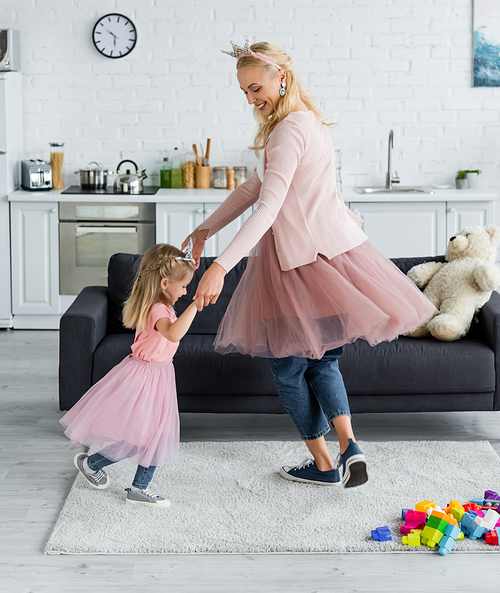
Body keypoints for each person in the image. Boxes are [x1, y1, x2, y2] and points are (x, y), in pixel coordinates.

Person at [183, 39, 437, 489]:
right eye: (243, 91)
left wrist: (220, 265)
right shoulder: (308, 123)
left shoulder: (286, 133)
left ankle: (323, 465)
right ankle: (350, 447)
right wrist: (205, 228)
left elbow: (266, 208)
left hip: (298, 264)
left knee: (287, 368)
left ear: (282, 77)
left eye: (255, 87)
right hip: (334, 258)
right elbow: (251, 190)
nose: (250, 99)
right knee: (323, 360)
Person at [60, 242, 198, 507]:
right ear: (165, 283)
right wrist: (195, 306)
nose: (185, 291)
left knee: (155, 436)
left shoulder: (161, 305)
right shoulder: (158, 309)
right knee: (139, 438)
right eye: (183, 286)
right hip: (145, 378)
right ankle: (100, 468)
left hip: (159, 375)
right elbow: (172, 333)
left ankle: (133, 484)